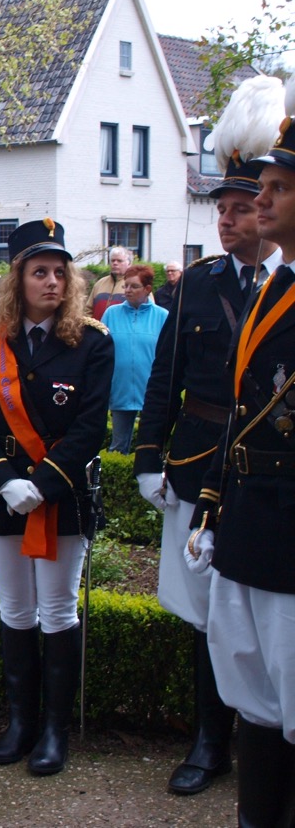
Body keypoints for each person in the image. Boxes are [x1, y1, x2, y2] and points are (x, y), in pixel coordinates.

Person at [133, 74, 286, 797]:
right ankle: (207, 741)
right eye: (221, 209)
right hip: (197, 465)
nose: (228, 220)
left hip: (263, 474)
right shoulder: (195, 283)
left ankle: (261, 749)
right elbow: (165, 376)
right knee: (206, 618)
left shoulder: (281, 287)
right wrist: (145, 457)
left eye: (240, 207)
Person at [0, 219, 112, 776]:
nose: (52, 281)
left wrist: (42, 483)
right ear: (18, 278)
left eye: (59, 272)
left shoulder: (91, 342)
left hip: (61, 495)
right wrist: (5, 481)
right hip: (3, 495)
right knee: (15, 609)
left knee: (56, 610)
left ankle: (54, 730)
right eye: (39, 271)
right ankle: (20, 722)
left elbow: (90, 427)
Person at [188, 88, 295, 825]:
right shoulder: (273, 285)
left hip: (291, 534)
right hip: (250, 525)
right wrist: (212, 508)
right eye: (263, 187)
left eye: (279, 188)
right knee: (251, 696)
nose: (262, 199)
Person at [102, 264, 167, 454]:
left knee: (152, 446)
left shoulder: (163, 316)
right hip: (120, 388)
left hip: (151, 390)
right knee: (118, 445)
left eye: (134, 286)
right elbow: (102, 351)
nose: (127, 291)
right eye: (126, 286)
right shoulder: (111, 314)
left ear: (147, 289)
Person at [85, 246, 130, 320]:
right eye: (112, 260)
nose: (115, 263)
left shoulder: (136, 285)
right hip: (98, 330)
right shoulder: (100, 284)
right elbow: (88, 310)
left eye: (119, 261)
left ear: (129, 264)